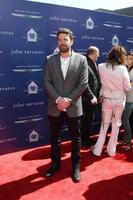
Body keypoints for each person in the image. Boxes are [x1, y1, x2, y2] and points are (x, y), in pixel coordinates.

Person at [44, 28, 89, 182]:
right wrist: (58, 100)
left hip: (73, 106)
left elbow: (83, 84)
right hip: (54, 106)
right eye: (59, 40)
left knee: (76, 139)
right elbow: (47, 82)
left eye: (65, 39)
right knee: (54, 138)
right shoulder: (50, 59)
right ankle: (55, 165)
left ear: (72, 40)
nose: (61, 43)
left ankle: (76, 167)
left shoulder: (82, 60)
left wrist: (67, 100)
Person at [92, 45, 132, 157]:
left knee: (104, 125)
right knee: (116, 125)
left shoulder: (101, 66)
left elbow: (101, 83)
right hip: (119, 101)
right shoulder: (123, 69)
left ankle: (97, 150)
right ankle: (111, 151)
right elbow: (128, 88)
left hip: (107, 100)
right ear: (121, 56)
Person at [81, 46, 101, 147]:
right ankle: (84, 141)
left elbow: (95, 81)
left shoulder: (93, 62)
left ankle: (86, 139)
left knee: (88, 120)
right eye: (98, 53)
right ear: (93, 53)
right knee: (86, 121)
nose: (99, 55)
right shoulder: (85, 62)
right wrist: (91, 96)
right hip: (87, 99)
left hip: (93, 98)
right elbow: (85, 83)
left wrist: (98, 95)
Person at [120, 52, 133, 151]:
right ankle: (125, 139)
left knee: (125, 120)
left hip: (130, 99)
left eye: (130, 58)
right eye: (127, 58)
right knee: (122, 121)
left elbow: (130, 85)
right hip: (122, 98)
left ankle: (128, 143)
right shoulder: (124, 69)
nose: (128, 60)